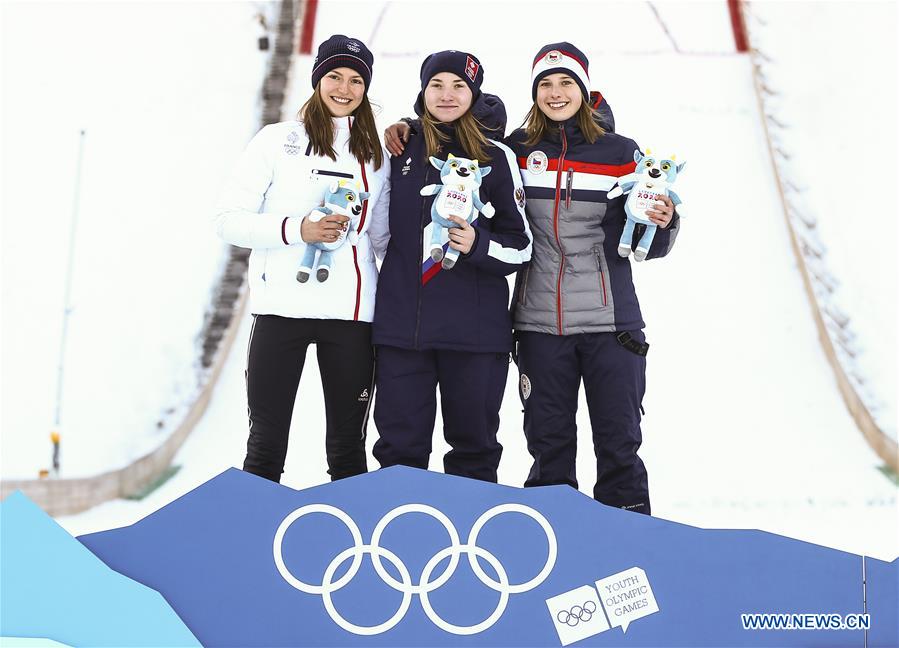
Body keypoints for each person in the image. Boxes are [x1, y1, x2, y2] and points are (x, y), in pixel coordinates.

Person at [508, 42, 679, 514]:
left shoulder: (621, 153)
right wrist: (408, 128)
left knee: (619, 448)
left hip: (612, 327)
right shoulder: (517, 150)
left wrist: (664, 221)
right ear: (534, 92)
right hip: (540, 326)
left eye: (566, 83)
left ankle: (629, 553)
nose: (556, 93)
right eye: (546, 84)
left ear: (585, 90)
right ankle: (551, 557)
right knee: (548, 451)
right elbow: (464, 137)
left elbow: (650, 239)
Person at [214, 35, 390, 483]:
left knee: (348, 450)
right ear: (317, 80)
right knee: (265, 447)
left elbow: (384, 237)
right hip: (281, 313)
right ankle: (252, 543)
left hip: (351, 319)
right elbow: (229, 221)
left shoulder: (379, 156)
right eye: (334, 76)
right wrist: (299, 229)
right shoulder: (277, 142)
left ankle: (352, 549)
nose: (344, 89)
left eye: (355, 80)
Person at [372, 50, 532, 483]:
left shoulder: (496, 158)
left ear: (473, 93)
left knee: (474, 453)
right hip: (404, 331)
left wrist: (480, 244)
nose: (447, 95)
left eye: (458, 86)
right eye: (436, 85)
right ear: (422, 92)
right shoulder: (397, 148)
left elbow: (521, 247)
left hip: (475, 338)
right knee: (399, 452)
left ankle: (470, 548)